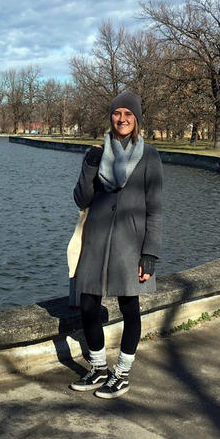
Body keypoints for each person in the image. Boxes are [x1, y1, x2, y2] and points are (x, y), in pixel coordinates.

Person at [69, 90, 162, 399]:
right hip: (95, 240)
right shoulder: (96, 152)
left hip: (130, 242)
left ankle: (121, 373)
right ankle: (97, 367)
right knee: (88, 304)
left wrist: (149, 252)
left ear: (135, 119)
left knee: (129, 306)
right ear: (110, 117)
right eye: (117, 113)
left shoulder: (149, 155)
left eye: (128, 115)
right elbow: (82, 199)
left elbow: (155, 208)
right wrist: (90, 167)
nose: (122, 119)